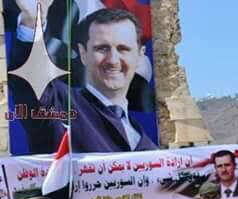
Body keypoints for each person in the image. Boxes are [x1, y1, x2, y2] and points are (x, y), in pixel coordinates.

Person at [8, 7, 158, 153]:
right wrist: (31, 23)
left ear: (140, 55)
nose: (113, 60)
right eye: (102, 48)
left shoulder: (147, 144)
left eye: (123, 49)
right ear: (83, 53)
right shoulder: (60, 105)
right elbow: (31, 84)